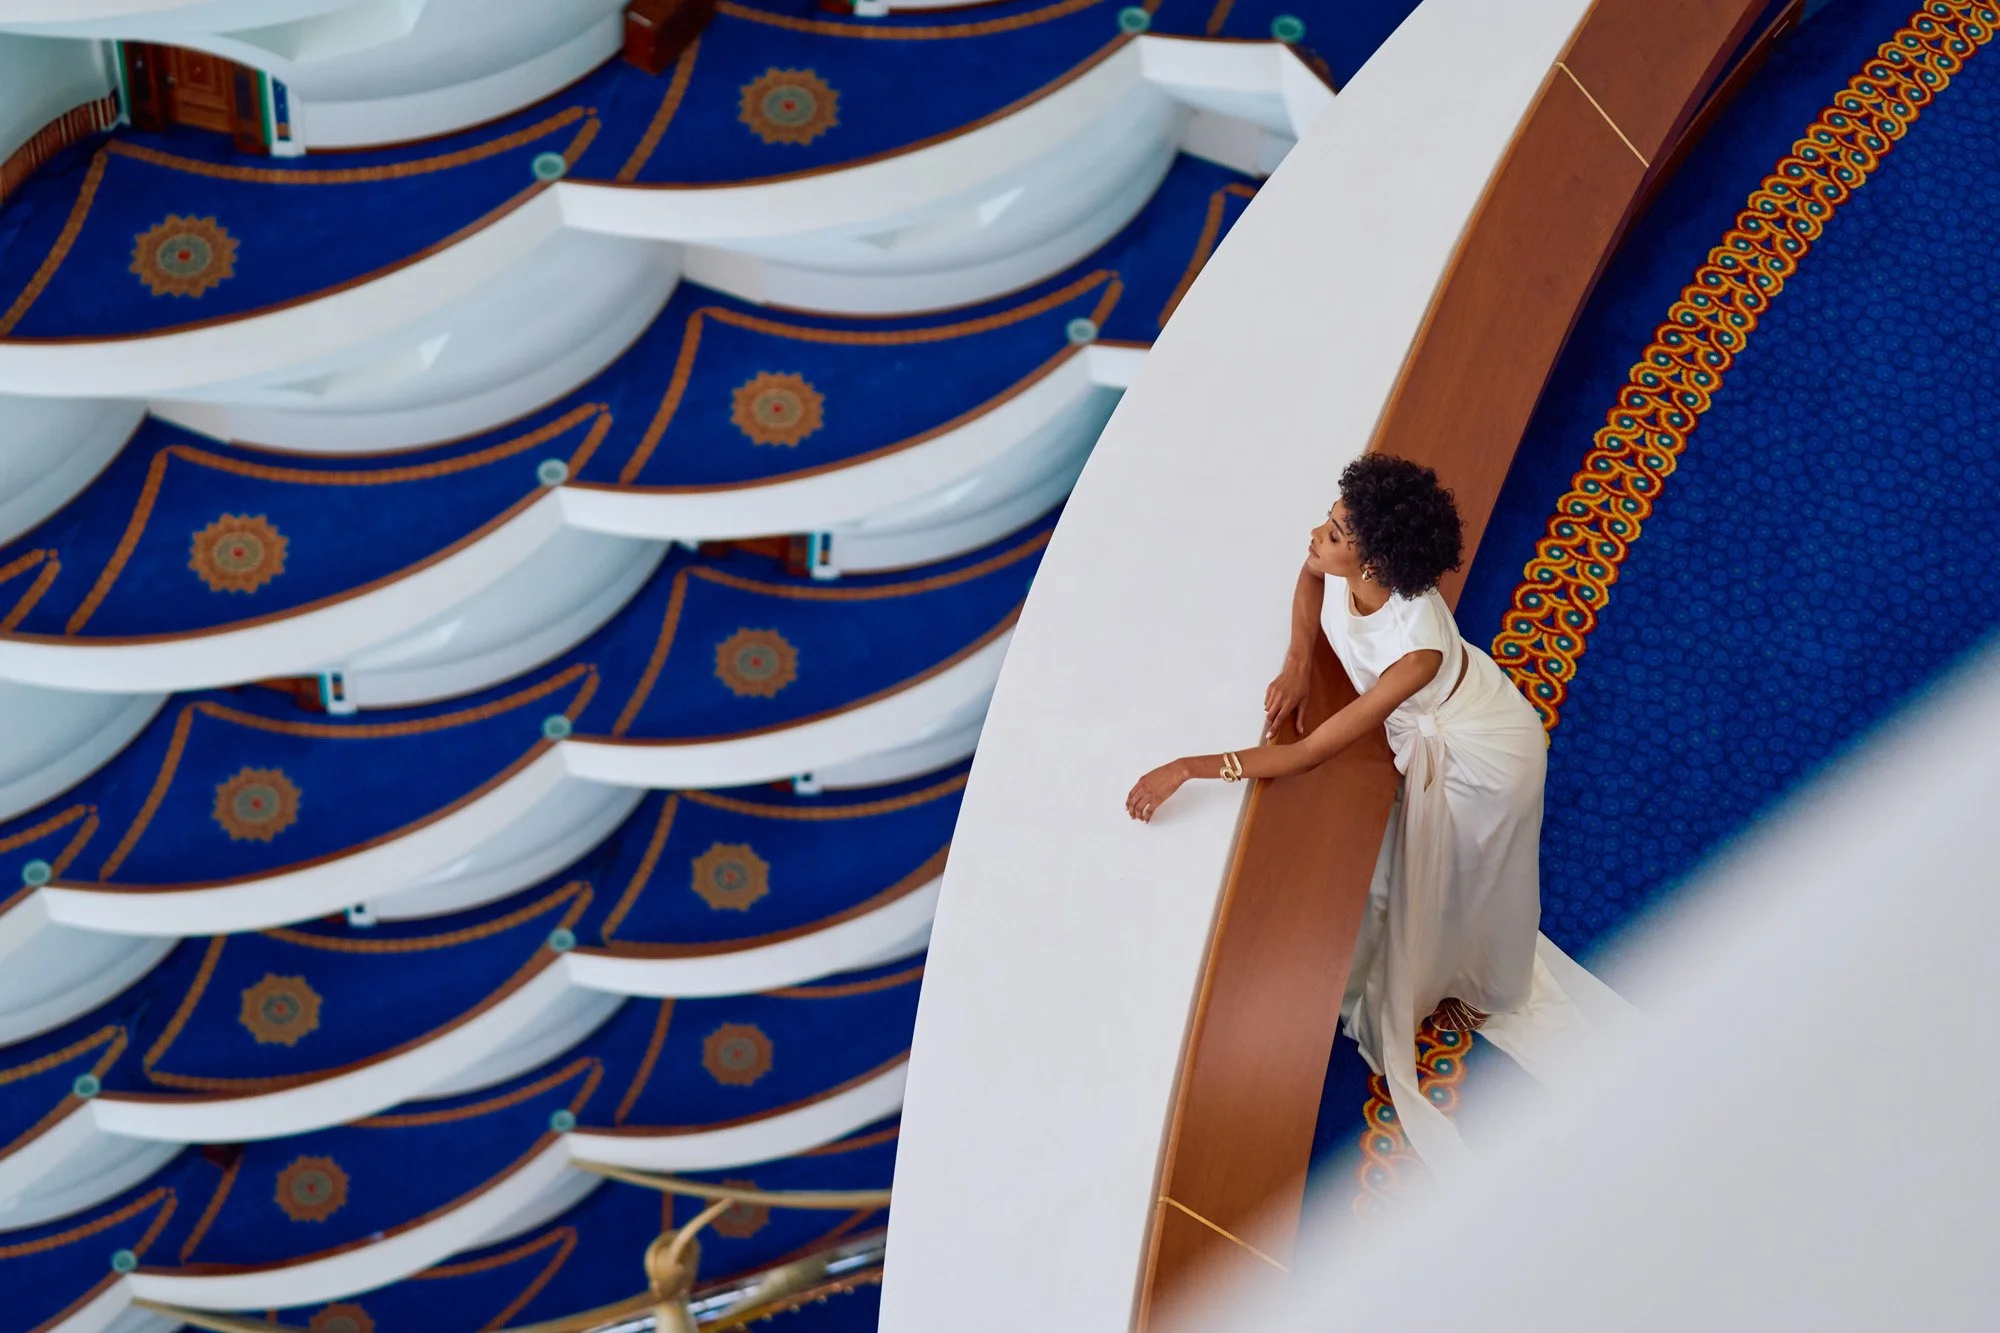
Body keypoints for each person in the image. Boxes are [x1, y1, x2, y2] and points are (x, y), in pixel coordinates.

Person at [1125, 453, 1550, 1171]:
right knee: (1431, 868)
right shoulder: (1344, 562)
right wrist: (1298, 659)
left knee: (1473, 871)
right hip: (1442, 728)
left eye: (1339, 528)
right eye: (1332, 517)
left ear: (1378, 556)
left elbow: (1311, 751)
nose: (1319, 531)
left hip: (1484, 758)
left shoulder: (1413, 653)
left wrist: (1191, 767)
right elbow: (1307, 573)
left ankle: (1484, 981)